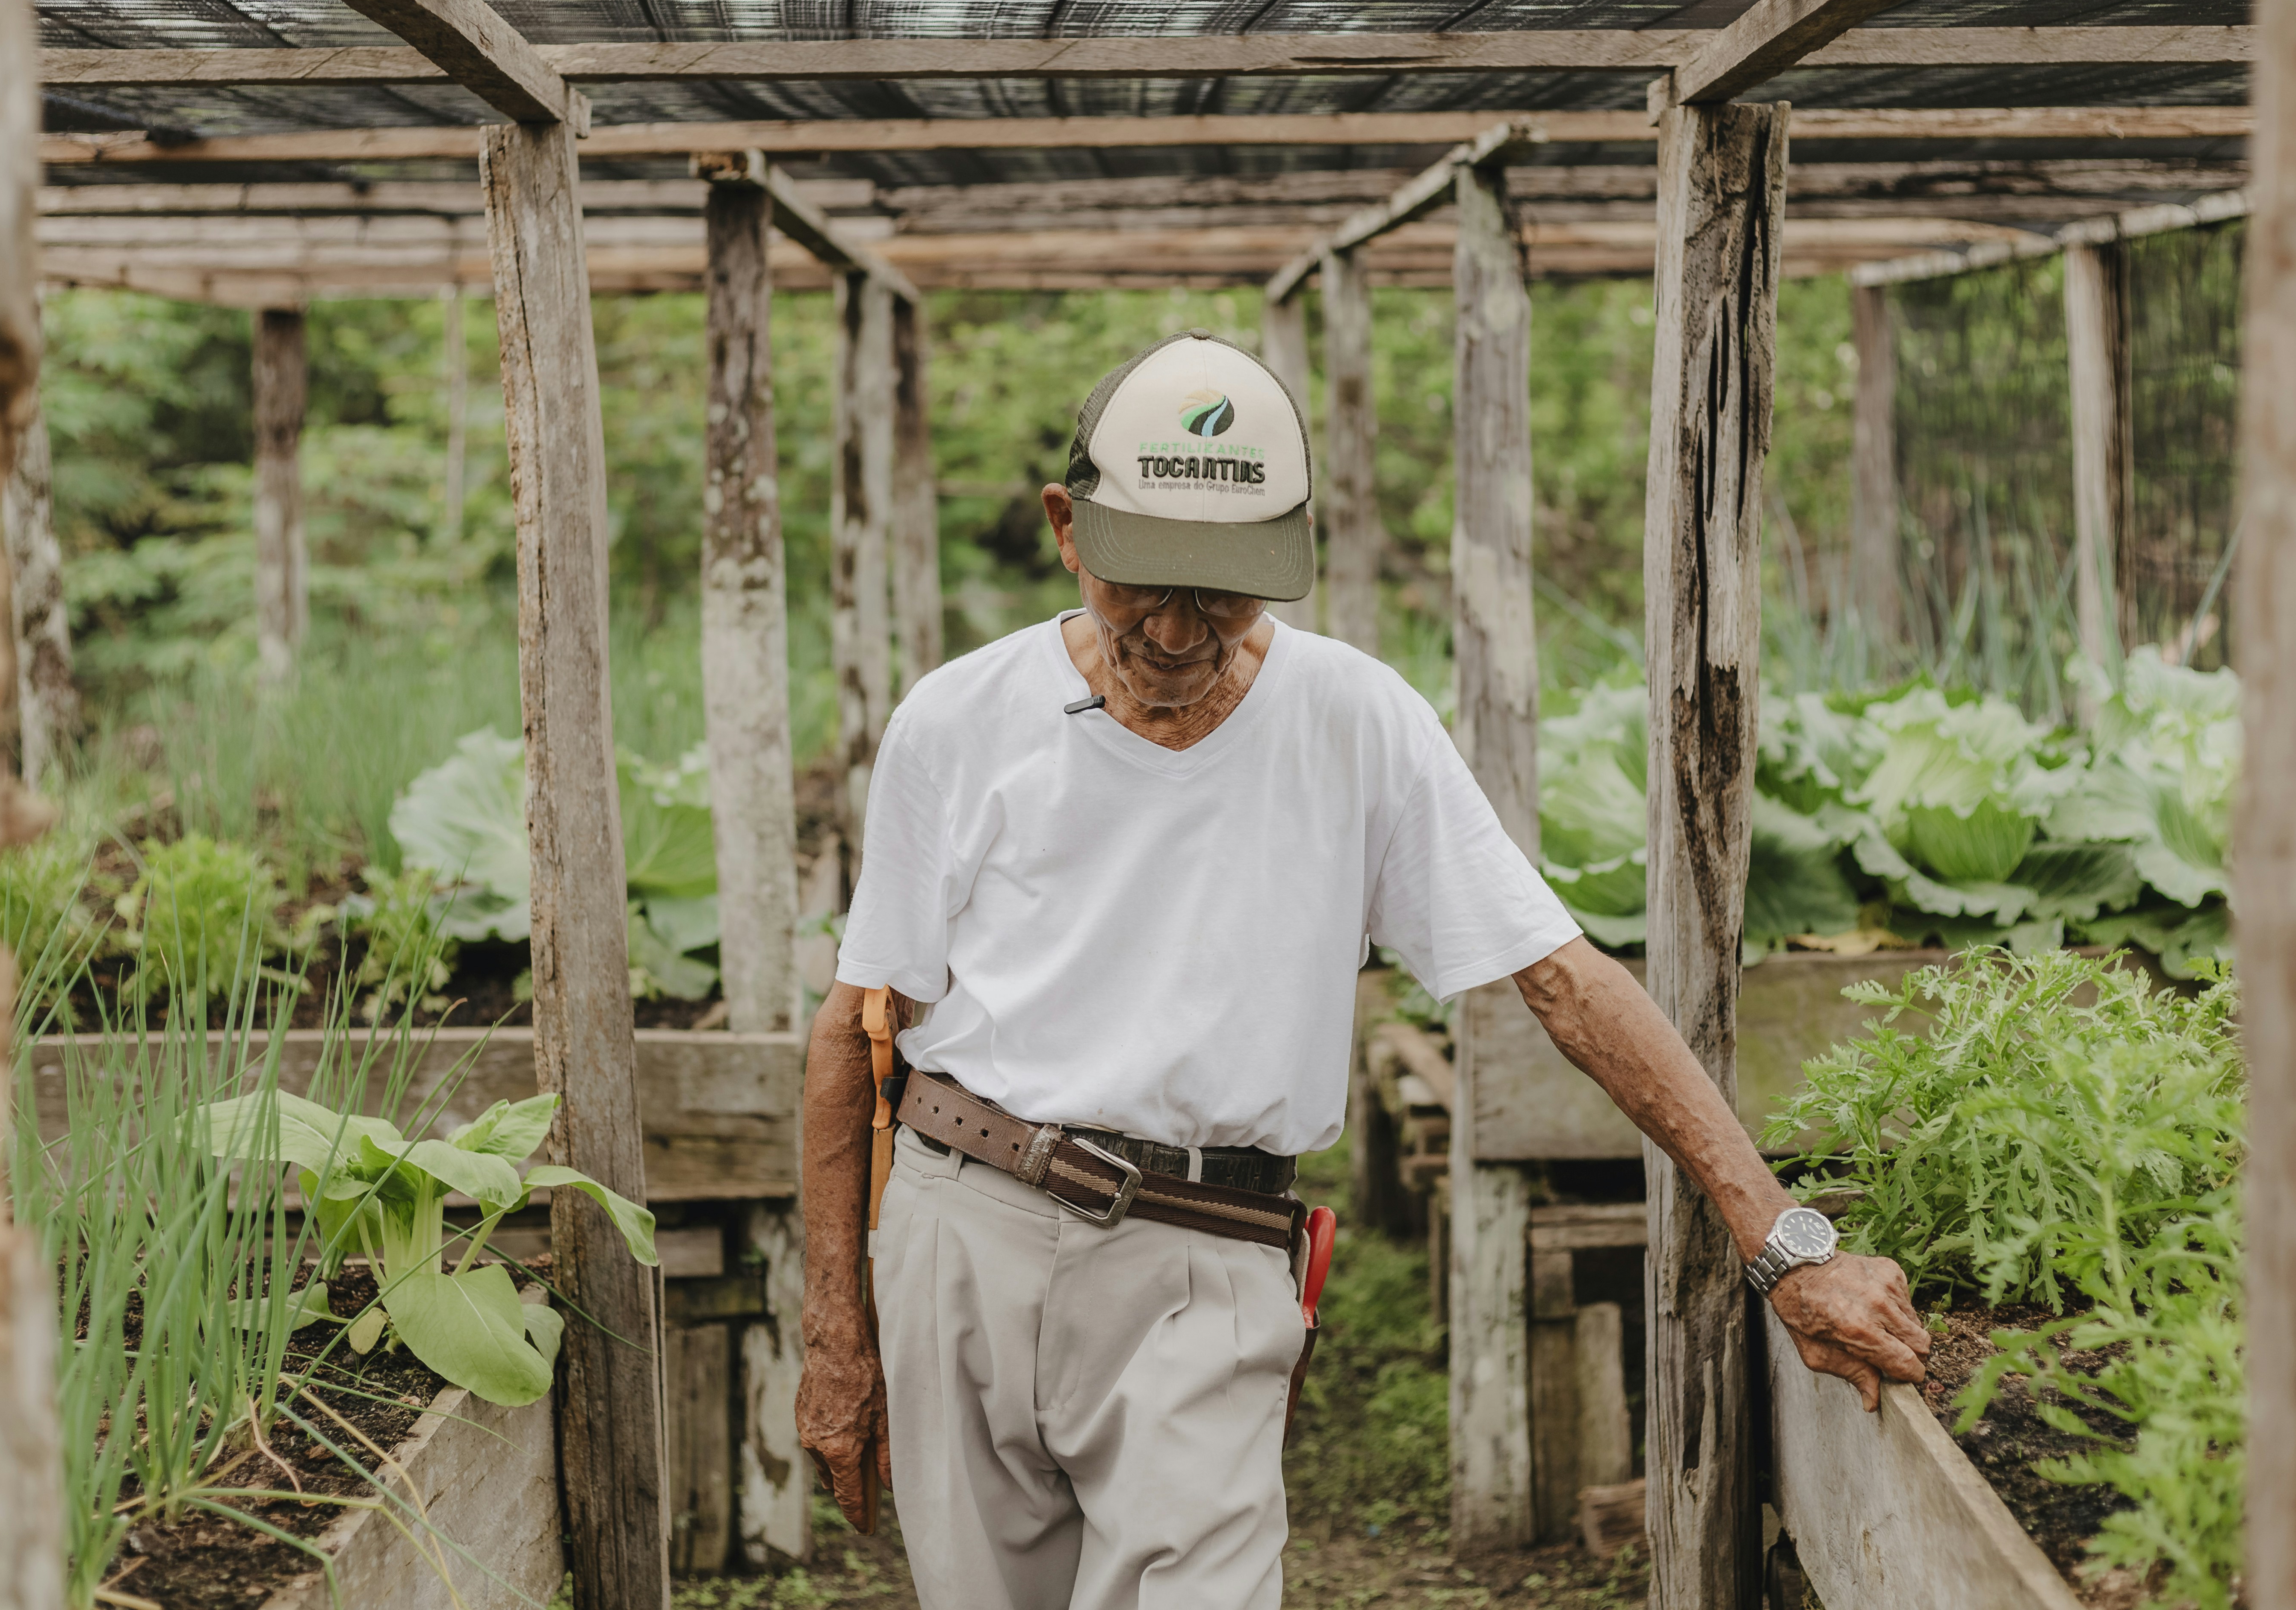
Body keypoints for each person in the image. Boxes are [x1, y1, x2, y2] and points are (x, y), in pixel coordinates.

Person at [795, 331, 1929, 1610]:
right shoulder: (958, 719)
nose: (1175, 631)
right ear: (1069, 530)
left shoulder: (1357, 720)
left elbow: (1563, 980)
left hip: (1205, 1254)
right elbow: (854, 1032)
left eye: (1222, 593)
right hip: (967, 1226)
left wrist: (1781, 1242)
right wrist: (838, 1334)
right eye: (1141, 585)